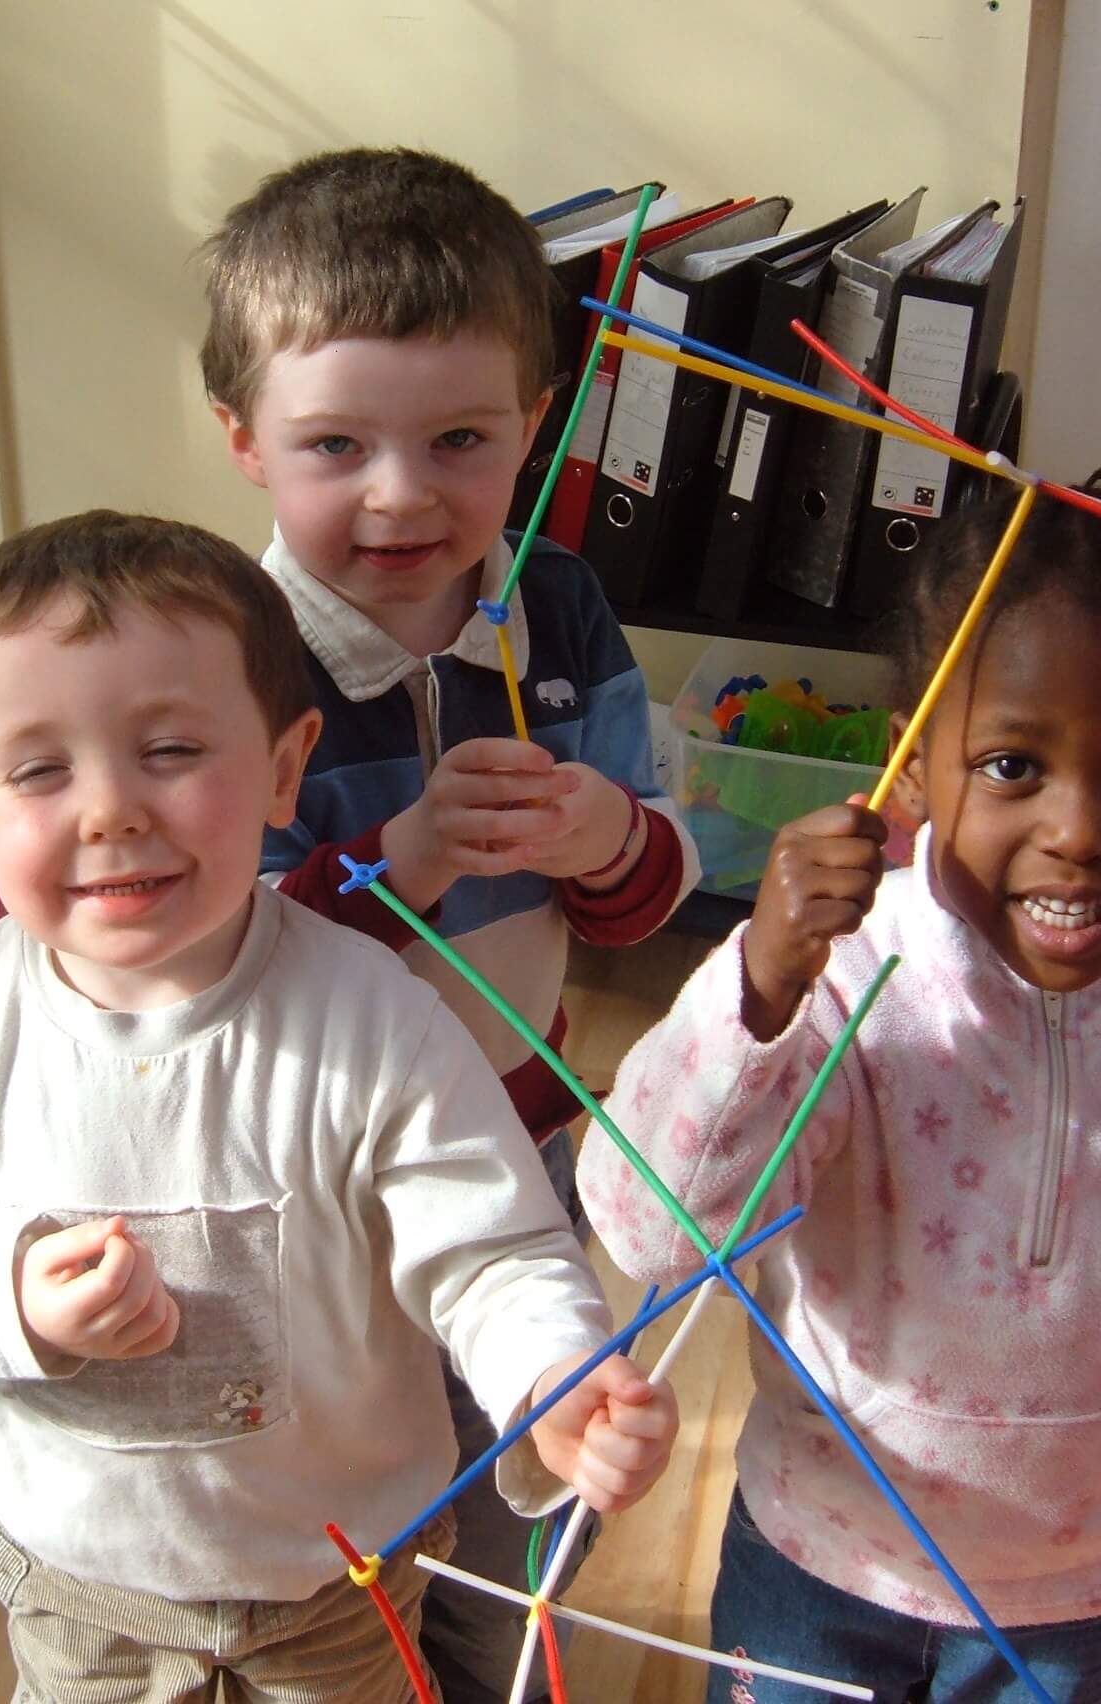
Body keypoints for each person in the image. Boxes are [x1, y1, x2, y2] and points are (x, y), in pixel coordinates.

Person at [0, 510, 679, 1703]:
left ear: (281, 769)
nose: (110, 810)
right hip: (78, 1586)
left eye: (170, 749)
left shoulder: (374, 1017)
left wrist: (551, 1373)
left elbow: (492, 1250)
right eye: (39, 770)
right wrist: (8, 1299)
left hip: (339, 1582)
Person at [578, 490, 1101, 1703]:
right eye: (1011, 765)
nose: (1077, 829)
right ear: (913, 766)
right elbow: (652, 1231)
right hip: (819, 1553)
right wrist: (761, 987)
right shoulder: (836, 977)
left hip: (1080, 1584)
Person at [203, 146, 700, 1698]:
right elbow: (219, 968)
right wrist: (399, 862)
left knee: (527, 1482)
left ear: (534, 427)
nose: (403, 494)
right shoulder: (221, 657)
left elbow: (649, 896)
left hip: (518, 1142)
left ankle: (489, 1660)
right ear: (243, 438)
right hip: (311, 1184)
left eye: (460, 440)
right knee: (336, 1520)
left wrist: (604, 831)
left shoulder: (564, 612)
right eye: (335, 444)